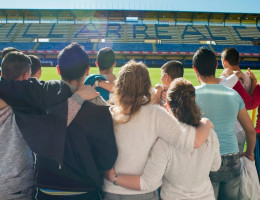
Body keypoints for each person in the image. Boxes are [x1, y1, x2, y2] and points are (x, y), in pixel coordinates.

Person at [0, 43, 118, 200]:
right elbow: (107, 158)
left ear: (58, 70)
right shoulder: (100, 107)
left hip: (46, 188)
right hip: (85, 190)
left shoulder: (42, 92)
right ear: (87, 71)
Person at [102, 60, 213, 200]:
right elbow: (194, 142)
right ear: (146, 85)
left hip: (111, 190)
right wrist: (206, 123)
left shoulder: (110, 112)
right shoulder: (155, 114)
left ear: (120, 85)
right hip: (142, 193)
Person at [193, 47, 256, 200]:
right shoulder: (234, 94)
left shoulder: (191, 95)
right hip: (232, 158)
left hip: (206, 159)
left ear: (195, 69)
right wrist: (250, 153)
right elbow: (250, 130)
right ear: (216, 65)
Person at [221, 47, 252, 153]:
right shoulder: (247, 78)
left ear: (224, 62)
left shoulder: (224, 78)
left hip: (229, 128)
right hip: (243, 127)